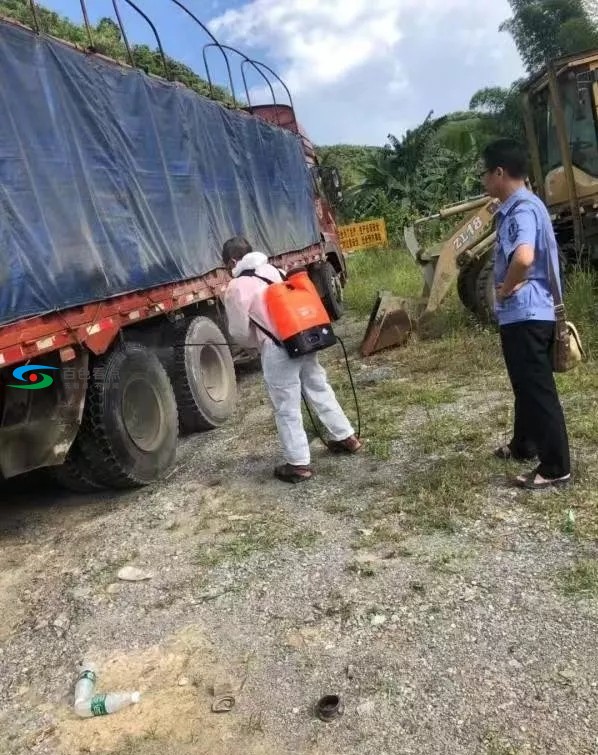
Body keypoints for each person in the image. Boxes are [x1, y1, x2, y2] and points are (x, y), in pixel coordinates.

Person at [221, 236, 362, 483]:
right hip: (303, 337)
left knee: (286, 405)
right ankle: (346, 436)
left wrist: (257, 344)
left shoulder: (237, 286)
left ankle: (298, 464)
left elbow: (240, 332)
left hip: (277, 349)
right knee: (319, 386)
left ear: (232, 261)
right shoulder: (274, 270)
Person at [482, 138, 571, 490]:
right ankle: (525, 445)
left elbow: (523, 257)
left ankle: (555, 466)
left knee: (537, 389)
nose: (484, 182)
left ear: (500, 172)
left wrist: (504, 289)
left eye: (485, 174)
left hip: (527, 314)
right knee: (525, 384)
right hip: (526, 315)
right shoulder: (523, 205)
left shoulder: (520, 209)